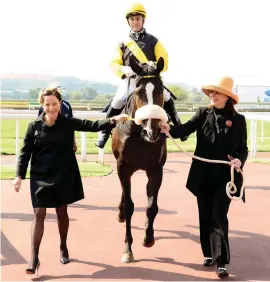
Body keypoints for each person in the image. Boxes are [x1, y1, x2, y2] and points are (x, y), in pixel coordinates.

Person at [13, 87, 127, 275]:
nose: (51, 108)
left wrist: (113, 120)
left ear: (60, 104)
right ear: (42, 105)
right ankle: (34, 258)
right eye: (47, 104)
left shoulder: (67, 123)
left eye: (55, 104)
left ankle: (63, 246)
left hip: (62, 173)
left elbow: (91, 125)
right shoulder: (34, 126)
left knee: (61, 212)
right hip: (40, 174)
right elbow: (25, 152)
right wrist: (19, 176)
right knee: (39, 212)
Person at [161, 76, 248, 279]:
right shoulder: (202, 113)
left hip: (226, 177)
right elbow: (185, 130)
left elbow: (243, 148)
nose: (212, 95)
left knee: (218, 215)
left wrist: (239, 160)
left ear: (227, 97)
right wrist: (168, 130)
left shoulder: (239, 120)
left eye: (216, 92)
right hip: (203, 174)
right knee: (205, 215)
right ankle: (208, 253)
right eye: (211, 92)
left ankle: (221, 262)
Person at [95, 2, 184, 148]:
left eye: (138, 19)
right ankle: (104, 132)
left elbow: (165, 60)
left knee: (167, 97)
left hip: (150, 79)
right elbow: (113, 63)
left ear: (143, 20)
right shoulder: (122, 43)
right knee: (118, 99)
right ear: (128, 22)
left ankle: (179, 127)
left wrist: (154, 66)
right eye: (132, 19)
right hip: (131, 80)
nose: (135, 22)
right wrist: (123, 69)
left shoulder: (154, 41)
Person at [38, 84, 78, 152]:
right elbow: (38, 125)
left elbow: (71, 125)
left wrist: (73, 141)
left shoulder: (67, 105)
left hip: (64, 140)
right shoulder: (43, 107)